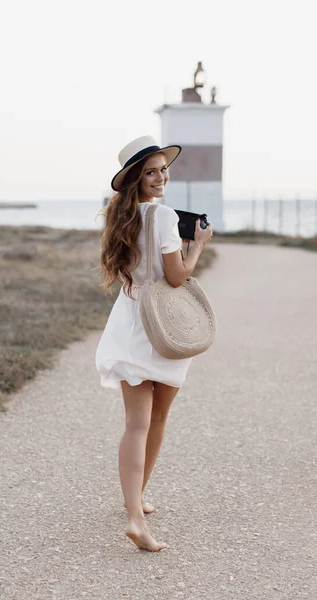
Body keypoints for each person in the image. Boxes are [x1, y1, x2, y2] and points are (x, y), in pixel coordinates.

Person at [95, 135, 213, 552]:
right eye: (151, 171)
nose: (161, 177)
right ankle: (134, 513)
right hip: (161, 324)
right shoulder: (162, 217)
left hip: (129, 319)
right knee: (156, 419)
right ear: (136, 178)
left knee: (136, 423)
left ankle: (135, 504)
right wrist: (196, 247)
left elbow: (134, 272)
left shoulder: (121, 217)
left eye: (163, 169)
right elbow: (177, 277)